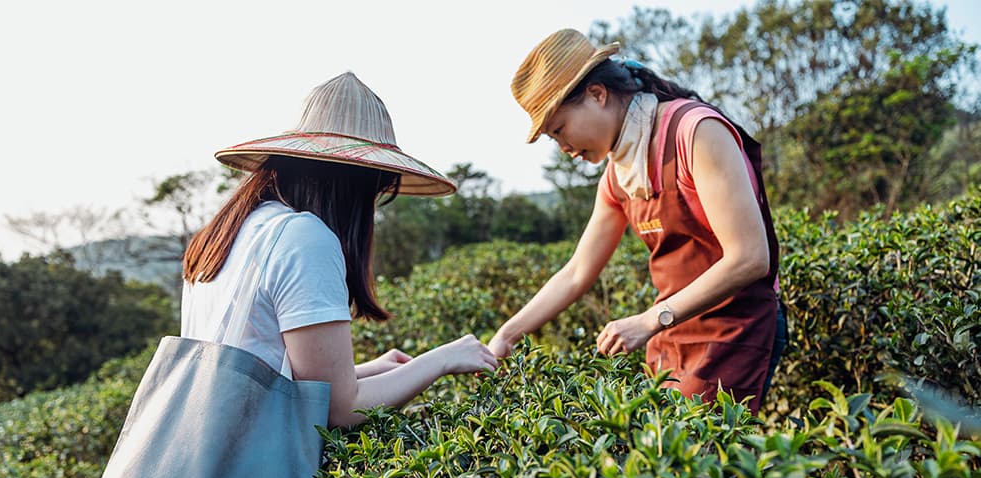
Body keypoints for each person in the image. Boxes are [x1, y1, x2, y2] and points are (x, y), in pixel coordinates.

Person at [488, 29, 789, 414]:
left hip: (737, 328)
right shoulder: (619, 175)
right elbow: (577, 271)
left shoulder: (694, 132)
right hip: (674, 333)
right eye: (553, 139)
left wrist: (650, 320)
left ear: (597, 94)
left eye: (559, 129)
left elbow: (749, 257)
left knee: (702, 464)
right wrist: (507, 335)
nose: (563, 149)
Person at [181, 71, 497, 427]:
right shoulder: (304, 237)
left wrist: (367, 371)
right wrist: (442, 359)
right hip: (255, 474)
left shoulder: (232, 231)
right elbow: (339, 410)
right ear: (358, 182)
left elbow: (271, 376)